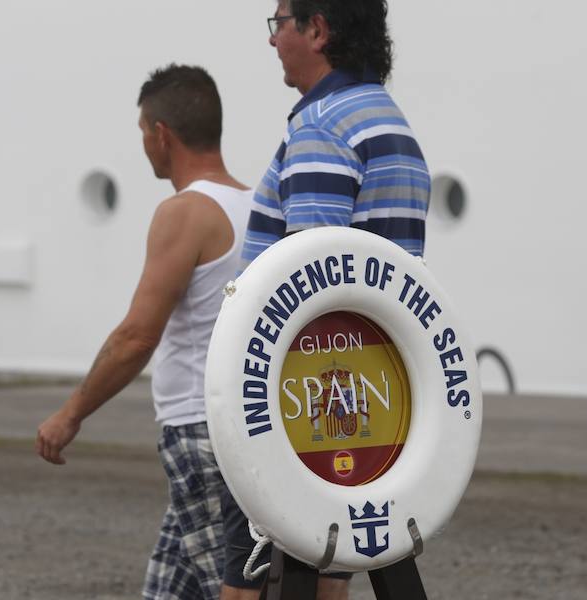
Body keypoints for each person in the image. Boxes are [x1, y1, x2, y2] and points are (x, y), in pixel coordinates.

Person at [222, 1, 431, 598]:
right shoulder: (389, 121)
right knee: (331, 566)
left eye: (279, 23)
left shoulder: (322, 126)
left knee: (247, 578)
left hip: (299, 400)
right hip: (372, 396)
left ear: (317, 31)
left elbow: (307, 282)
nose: (272, 40)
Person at [35, 64, 252, 600]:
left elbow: (136, 335)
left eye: (141, 132)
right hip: (240, 424)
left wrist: (71, 413)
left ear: (162, 135)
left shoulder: (184, 213)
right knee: (168, 588)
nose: (143, 146)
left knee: (231, 587)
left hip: (200, 431)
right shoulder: (256, 205)